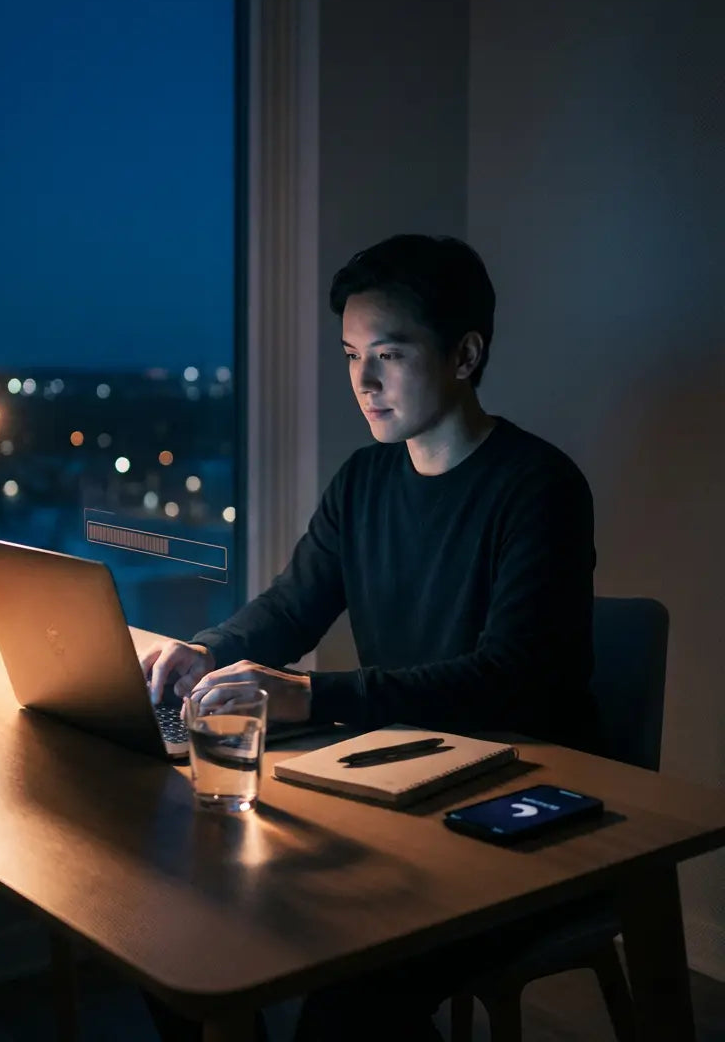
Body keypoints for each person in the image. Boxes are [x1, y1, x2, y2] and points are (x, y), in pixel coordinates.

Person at [140, 233, 599, 1041]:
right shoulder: (364, 480)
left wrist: (315, 696)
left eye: (387, 353)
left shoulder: (539, 487)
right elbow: (291, 608)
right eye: (352, 354)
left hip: (515, 803)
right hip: (401, 786)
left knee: (346, 1003)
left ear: (464, 354)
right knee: (175, 936)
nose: (363, 381)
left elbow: (512, 678)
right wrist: (206, 651)